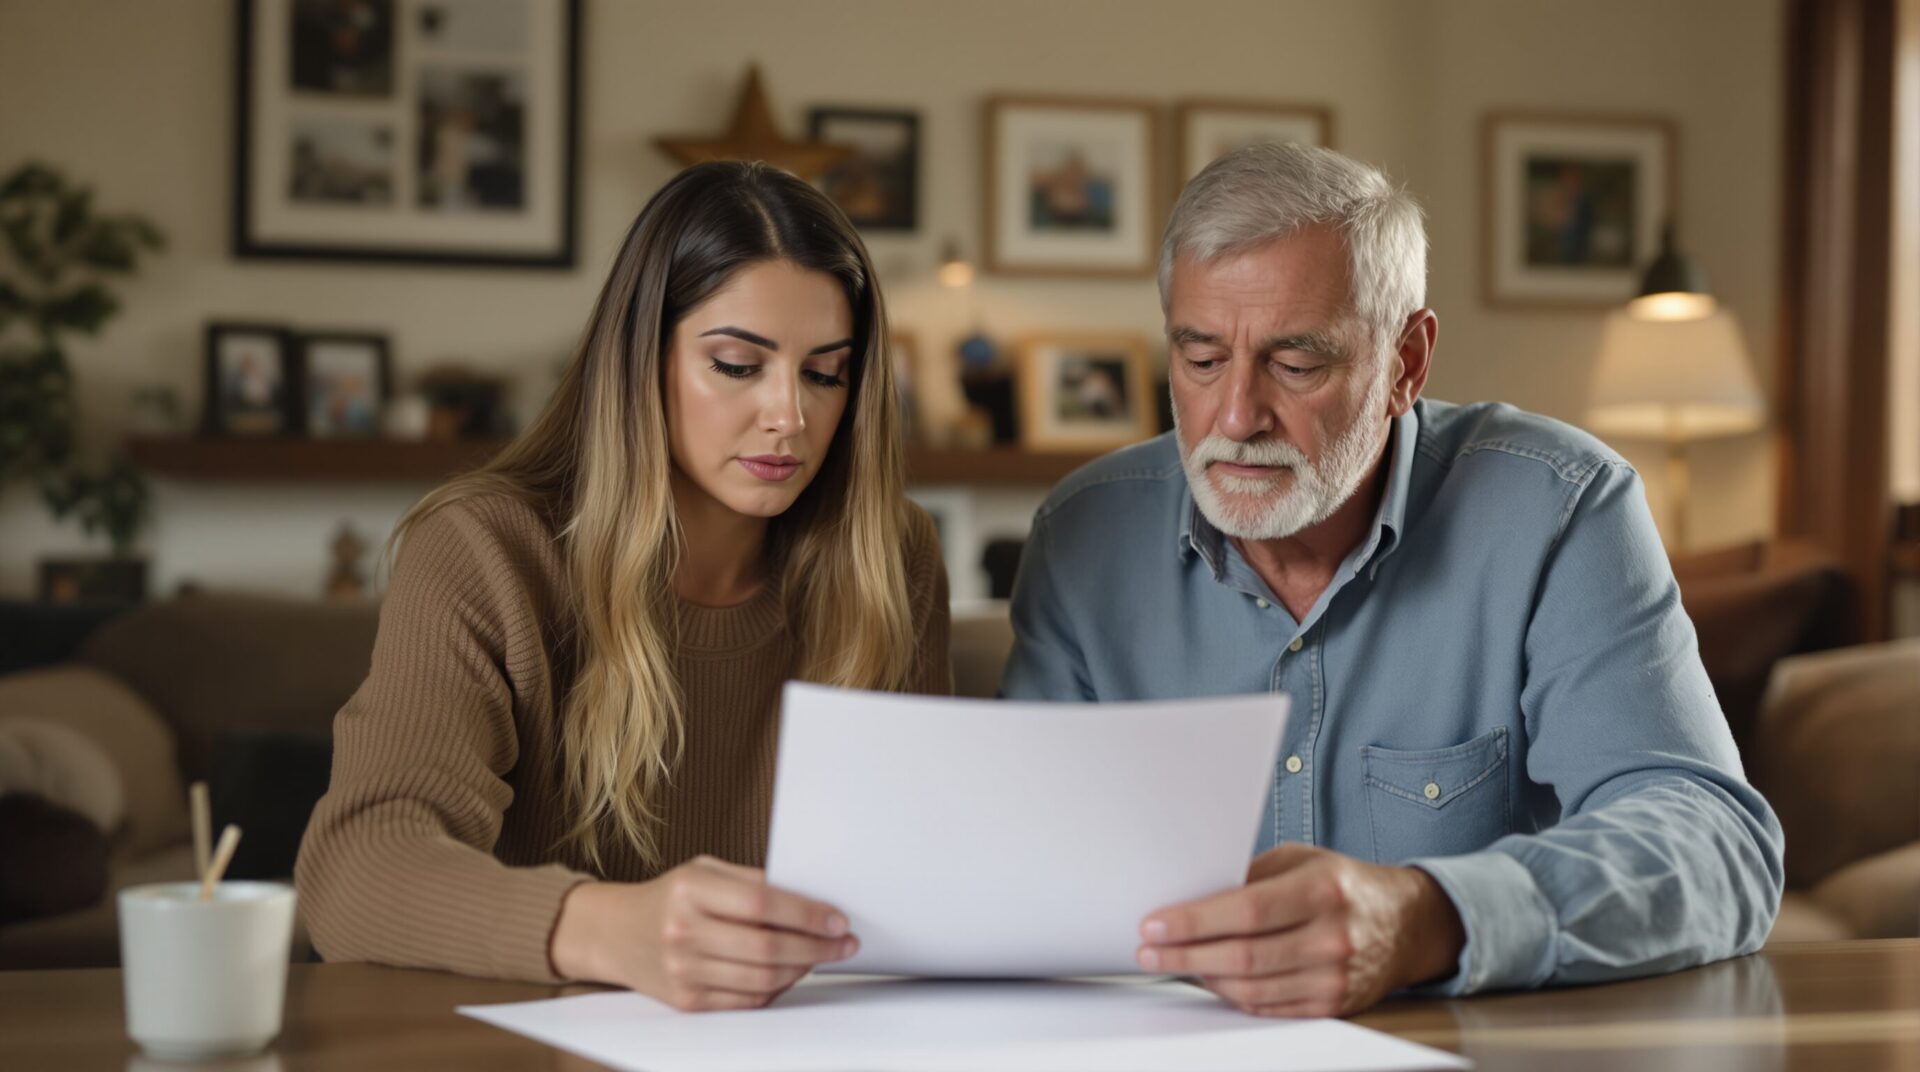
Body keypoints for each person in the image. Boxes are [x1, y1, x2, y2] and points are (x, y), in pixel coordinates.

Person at [1000, 143, 1783, 1018]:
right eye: (1202, 358)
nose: (1236, 417)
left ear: (1406, 361)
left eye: (1296, 365)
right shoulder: (1081, 537)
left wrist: (1428, 916)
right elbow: (1017, 864)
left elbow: (1716, 847)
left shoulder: (1559, 509)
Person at [296, 162, 952, 1011]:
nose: (790, 413)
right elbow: (357, 870)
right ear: (643, 359)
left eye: (825, 373)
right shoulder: (485, 549)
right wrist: (614, 930)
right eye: (736, 364)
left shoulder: (891, 559)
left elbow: (930, 878)